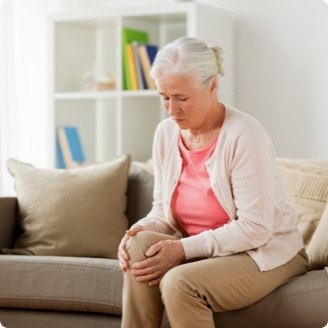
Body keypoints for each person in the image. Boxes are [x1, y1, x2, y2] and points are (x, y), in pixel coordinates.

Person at [118, 36, 308, 328]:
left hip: (262, 252)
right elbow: (161, 209)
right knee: (138, 245)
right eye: (164, 97)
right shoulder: (166, 134)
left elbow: (255, 229)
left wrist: (182, 250)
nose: (171, 110)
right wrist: (137, 231)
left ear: (212, 86)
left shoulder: (245, 134)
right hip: (206, 251)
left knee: (179, 282)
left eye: (181, 98)